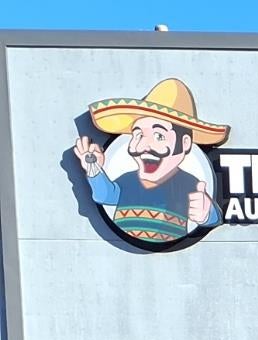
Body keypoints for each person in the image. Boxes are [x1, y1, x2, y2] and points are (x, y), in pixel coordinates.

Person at [71, 78, 229, 245]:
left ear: (185, 143)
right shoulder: (128, 180)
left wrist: (207, 214)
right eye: (138, 135)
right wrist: (94, 168)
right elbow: (105, 195)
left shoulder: (189, 184)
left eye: (159, 136)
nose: (143, 146)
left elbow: (212, 216)